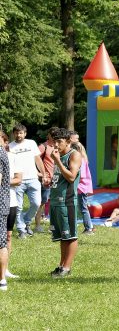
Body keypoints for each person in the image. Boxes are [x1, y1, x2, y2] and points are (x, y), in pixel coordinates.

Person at [49, 128, 82, 278]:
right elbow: (61, 177)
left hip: (67, 202)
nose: (55, 145)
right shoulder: (59, 155)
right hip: (55, 201)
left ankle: (67, 268)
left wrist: (57, 161)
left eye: (59, 141)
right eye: (54, 141)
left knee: (71, 236)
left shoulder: (74, 155)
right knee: (62, 236)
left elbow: (71, 177)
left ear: (68, 141)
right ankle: (61, 266)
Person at [9, 124, 44, 238]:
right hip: (17, 181)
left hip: (33, 178)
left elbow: (38, 159)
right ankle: (21, 230)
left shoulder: (31, 143)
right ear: (13, 134)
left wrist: (43, 174)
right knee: (18, 207)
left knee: (36, 203)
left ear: (25, 133)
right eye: (16, 133)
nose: (18, 135)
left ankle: (26, 220)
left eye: (21, 133)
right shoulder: (9, 146)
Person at [0, 129, 22, 290]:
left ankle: (3, 276)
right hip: (4, 202)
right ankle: (2, 278)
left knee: (4, 240)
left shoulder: (4, 155)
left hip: (4, 203)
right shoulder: (4, 154)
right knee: (2, 241)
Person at [69, 131, 95, 234]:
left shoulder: (81, 160)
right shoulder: (83, 159)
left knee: (83, 208)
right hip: (81, 187)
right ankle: (87, 227)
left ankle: (89, 228)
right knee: (79, 207)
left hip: (81, 188)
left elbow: (81, 175)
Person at [33, 129, 55, 234]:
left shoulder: (58, 146)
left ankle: (53, 226)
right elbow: (33, 159)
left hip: (57, 180)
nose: (54, 137)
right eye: (52, 135)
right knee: (41, 203)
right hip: (46, 181)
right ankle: (37, 225)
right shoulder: (43, 147)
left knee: (55, 204)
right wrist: (39, 173)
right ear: (48, 135)